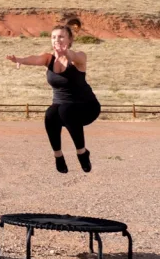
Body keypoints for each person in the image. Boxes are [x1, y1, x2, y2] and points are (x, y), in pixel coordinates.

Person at [6, 21, 100, 173]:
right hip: (64, 108)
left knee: (65, 110)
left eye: (61, 37)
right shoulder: (48, 59)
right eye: (54, 37)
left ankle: (82, 152)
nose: (57, 40)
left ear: (69, 40)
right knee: (51, 113)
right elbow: (35, 59)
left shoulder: (79, 58)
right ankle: (58, 156)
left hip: (87, 107)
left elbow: (75, 56)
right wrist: (20, 60)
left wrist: (66, 53)